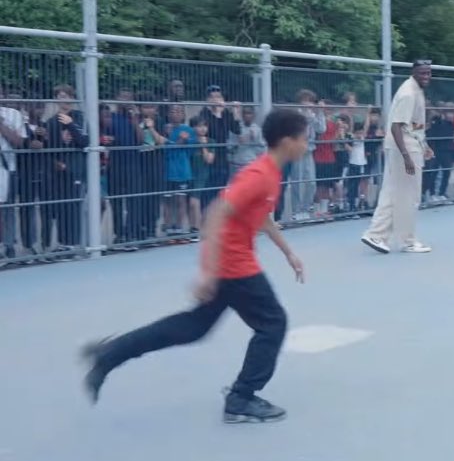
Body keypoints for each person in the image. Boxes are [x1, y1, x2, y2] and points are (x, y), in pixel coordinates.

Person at [79, 109, 310, 424]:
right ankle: (241, 398)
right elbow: (216, 214)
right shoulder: (259, 174)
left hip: (231, 264)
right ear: (287, 141)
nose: (306, 145)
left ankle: (110, 354)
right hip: (234, 266)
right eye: (303, 138)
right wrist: (208, 272)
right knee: (273, 324)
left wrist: (288, 252)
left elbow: (263, 213)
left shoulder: (270, 172)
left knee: (192, 327)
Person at [361, 60, 434, 254]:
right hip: (404, 149)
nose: (426, 76)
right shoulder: (409, 93)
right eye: (422, 73)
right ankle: (404, 240)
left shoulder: (414, 89)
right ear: (414, 72)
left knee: (394, 192)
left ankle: (377, 234)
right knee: (408, 195)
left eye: (428, 73)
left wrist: (424, 145)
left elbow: (412, 125)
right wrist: (407, 156)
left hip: (408, 146)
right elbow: (396, 126)